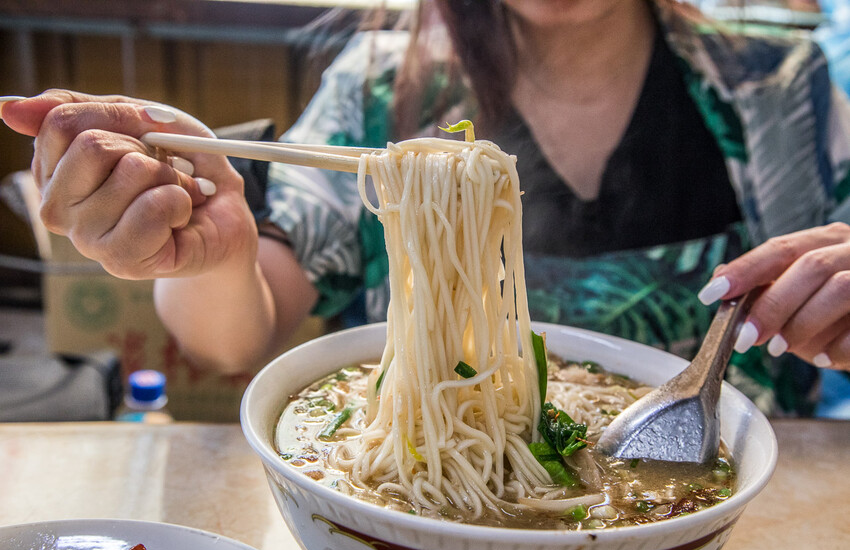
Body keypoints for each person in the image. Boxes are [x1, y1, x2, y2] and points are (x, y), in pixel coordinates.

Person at [3, 0, 850, 416]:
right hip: (422, 505)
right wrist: (211, 249)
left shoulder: (778, 89)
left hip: (724, 513)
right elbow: (233, 334)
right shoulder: (379, 87)